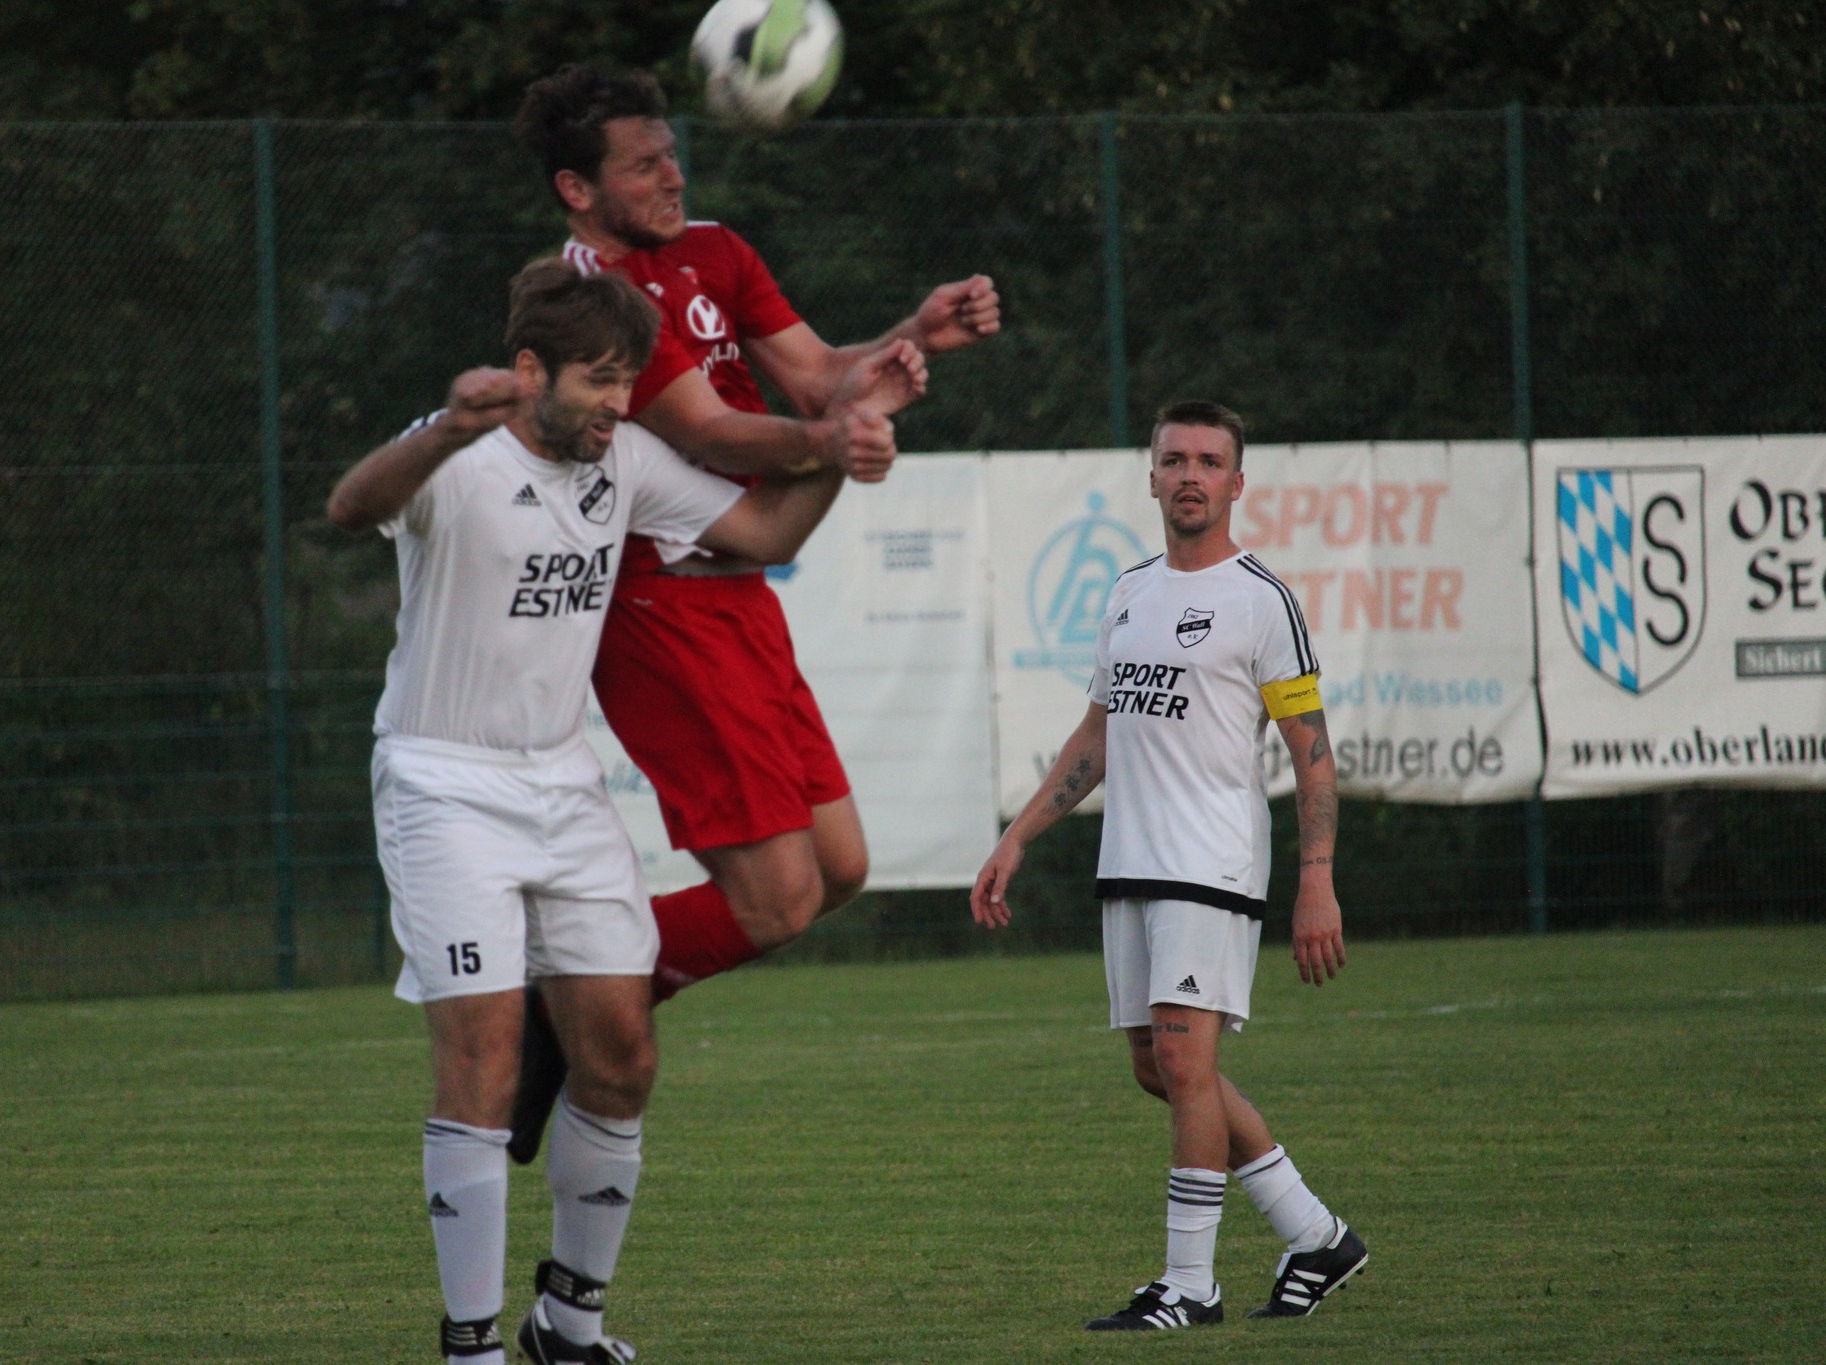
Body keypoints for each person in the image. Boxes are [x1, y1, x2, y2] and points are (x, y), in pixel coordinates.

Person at [327, 259, 920, 1365]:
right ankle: (468, 1348)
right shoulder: (461, 450)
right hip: (443, 786)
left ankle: (569, 1324)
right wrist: (444, 431)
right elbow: (351, 504)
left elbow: (767, 535)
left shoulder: (626, 463)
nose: (618, 401)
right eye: (600, 380)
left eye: (628, 379)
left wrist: (847, 434)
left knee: (621, 1056)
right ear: (528, 370)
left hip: (562, 786)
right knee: (481, 1061)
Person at [502, 62, 1002, 1160]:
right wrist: (834, 437)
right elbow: (706, 433)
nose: (671, 173)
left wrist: (908, 335)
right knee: (774, 901)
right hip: (657, 602)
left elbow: (819, 376)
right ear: (575, 190)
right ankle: (568, 1000)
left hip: (741, 592)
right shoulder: (588, 293)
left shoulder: (717, 251)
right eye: (642, 165)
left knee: (840, 867)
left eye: (672, 150)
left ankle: (575, 996)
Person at [970, 401, 1369, 1330]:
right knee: (1160, 1067)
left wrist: (1317, 877)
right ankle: (1314, 1233)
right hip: (1132, 863)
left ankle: (1189, 1285)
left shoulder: (1260, 599)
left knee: (1187, 1060)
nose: (1190, 474)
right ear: (1151, 477)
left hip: (1212, 862)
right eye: (1174, 459)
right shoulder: (1128, 591)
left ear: (1237, 482)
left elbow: (1312, 753)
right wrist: (1019, 835)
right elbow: (1097, 736)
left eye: (1209, 461)